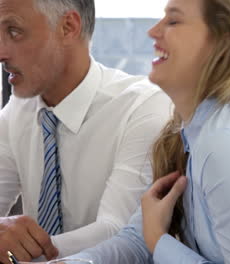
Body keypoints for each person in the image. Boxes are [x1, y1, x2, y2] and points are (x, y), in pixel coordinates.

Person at [42, 0, 230, 263]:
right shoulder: (186, 134)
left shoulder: (229, 145)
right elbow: (136, 239)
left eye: (173, 21)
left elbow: (150, 237)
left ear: (223, 41)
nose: (153, 31)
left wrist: (159, 240)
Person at [0, 0, 171, 262]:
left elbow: (120, 233)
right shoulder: (19, 110)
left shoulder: (142, 106)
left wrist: (14, 248)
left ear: (68, 27)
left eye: (14, 32)